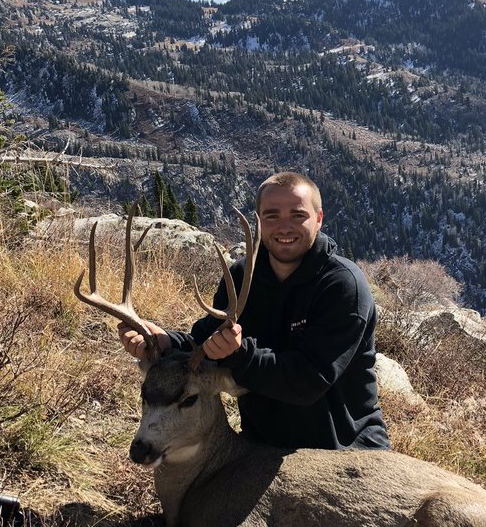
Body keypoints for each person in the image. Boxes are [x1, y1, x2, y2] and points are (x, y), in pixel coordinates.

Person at [119, 171, 390, 451]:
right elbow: (204, 341)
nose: (284, 227)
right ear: (258, 221)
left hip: (343, 452)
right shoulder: (241, 275)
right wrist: (166, 341)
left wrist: (239, 354)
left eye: (298, 215)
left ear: (319, 219)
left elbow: (308, 382)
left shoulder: (342, 286)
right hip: (261, 448)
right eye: (272, 215)